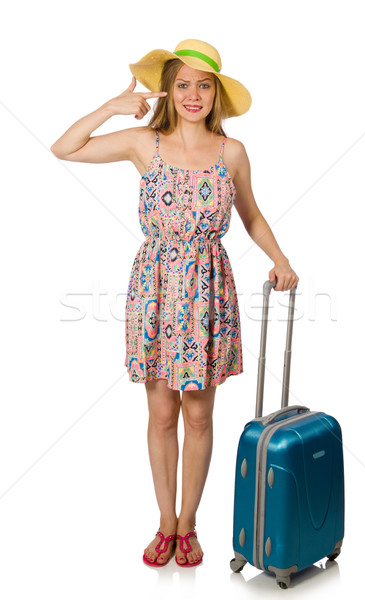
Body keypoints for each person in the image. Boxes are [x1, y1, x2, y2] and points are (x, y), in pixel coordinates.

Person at [50, 38, 299, 568]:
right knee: (162, 413)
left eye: (203, 85)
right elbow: (64, 148)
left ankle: (189, 525)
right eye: (182, 84)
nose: (193, 94)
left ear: (216, 94)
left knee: (200, 415)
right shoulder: (146, 143)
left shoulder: (232, 153)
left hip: (208, 288)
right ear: (167, 89)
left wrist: (280, 258)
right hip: (157, 287)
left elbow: (251, 216)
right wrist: (109, 108)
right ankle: (165, 523)